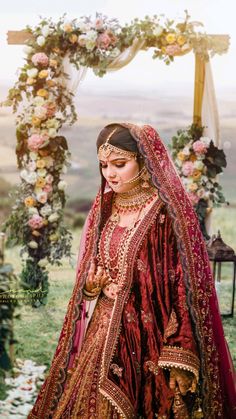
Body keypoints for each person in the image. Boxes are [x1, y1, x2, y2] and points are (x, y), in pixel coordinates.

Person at [28, 123, 236, 419]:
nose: (110, 174)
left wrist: (180, 348)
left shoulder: (166, 214)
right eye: (103, 166)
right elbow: (94, 269)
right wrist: (91, 287)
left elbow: (184, 284)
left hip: (149, 336)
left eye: (119, 164)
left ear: (143, 159)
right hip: (102, 332)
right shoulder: (106, 207)